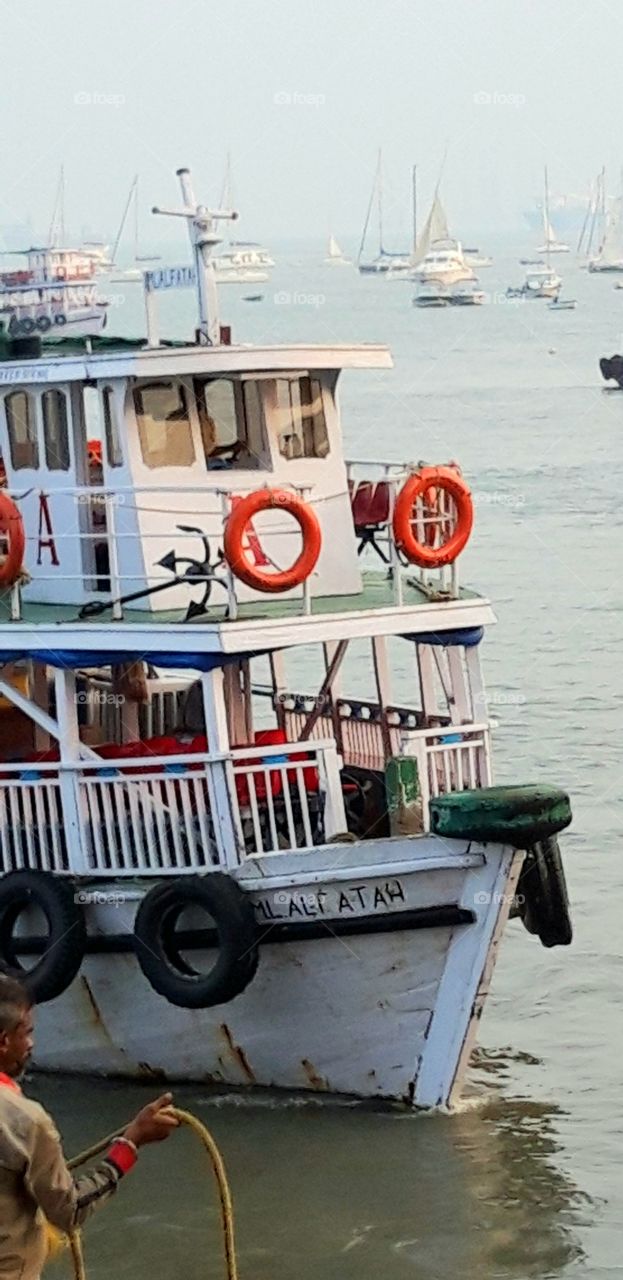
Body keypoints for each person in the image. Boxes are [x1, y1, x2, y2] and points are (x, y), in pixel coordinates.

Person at [0, 974, 179, 1280]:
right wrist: (131, 1143)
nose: (31, 1044)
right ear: (4, 1041)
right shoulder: (26, 1121)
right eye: (27, 1033)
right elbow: (70, 1210)